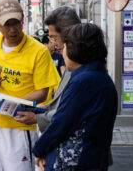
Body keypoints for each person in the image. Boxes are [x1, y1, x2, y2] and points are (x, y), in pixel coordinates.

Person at [0, 0, 59, 171]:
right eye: (7, 24)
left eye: (16, 22)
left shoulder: (39, 51)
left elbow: (43, 91)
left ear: (23, 19)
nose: (13, 29)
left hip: (19, 126)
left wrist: (12, 105)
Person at [33, 23, 118, 171]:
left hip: (76, 163)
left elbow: (61, 123)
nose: (62, 51)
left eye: (65, 46)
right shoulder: (100, 77)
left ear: (76, 49)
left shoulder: (83, 82)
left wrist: (39, 150)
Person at [15, 6, 81, 132]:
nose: (54, 44)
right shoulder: (72, 65)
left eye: (55, 38)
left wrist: (38, 118)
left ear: (70, 34)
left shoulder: (83, 71)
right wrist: (45, 108)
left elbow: (73, 112)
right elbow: (63, 104)